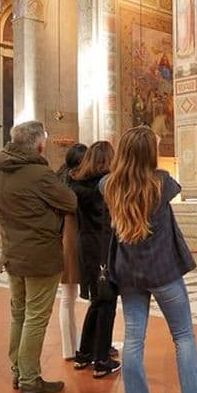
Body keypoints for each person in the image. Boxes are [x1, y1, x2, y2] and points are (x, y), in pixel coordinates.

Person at [103, 126, 197, 393]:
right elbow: (174, 185)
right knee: (183, 336)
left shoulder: (109, 185)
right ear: (148, 154)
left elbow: (111, 180)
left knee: (132, 340)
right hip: (163, 271)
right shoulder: (162, 183)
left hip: (129, 274)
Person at [0, 120, 78, 393]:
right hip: (40, 255)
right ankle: (30, 380)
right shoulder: (39, 173)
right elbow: (70, 202)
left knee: (19, 313)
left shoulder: (0, 168)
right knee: (36, 318)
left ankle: (18, 371)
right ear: (39, 145)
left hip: (13, 251)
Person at [70, 141, 121, 378]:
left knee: (97, 300)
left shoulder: (77, 183)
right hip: (103, 246)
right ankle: (101, 360)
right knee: (107, 300)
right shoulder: (105, 186)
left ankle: (84, 354)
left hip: (86, 245)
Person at [56, 144, 87, 361]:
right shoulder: (78, 183)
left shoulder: (59, 179)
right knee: (71, 296)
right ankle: (80, 345)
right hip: (74, 237)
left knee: (67, 297)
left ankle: (70, 348)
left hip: (62, 238)